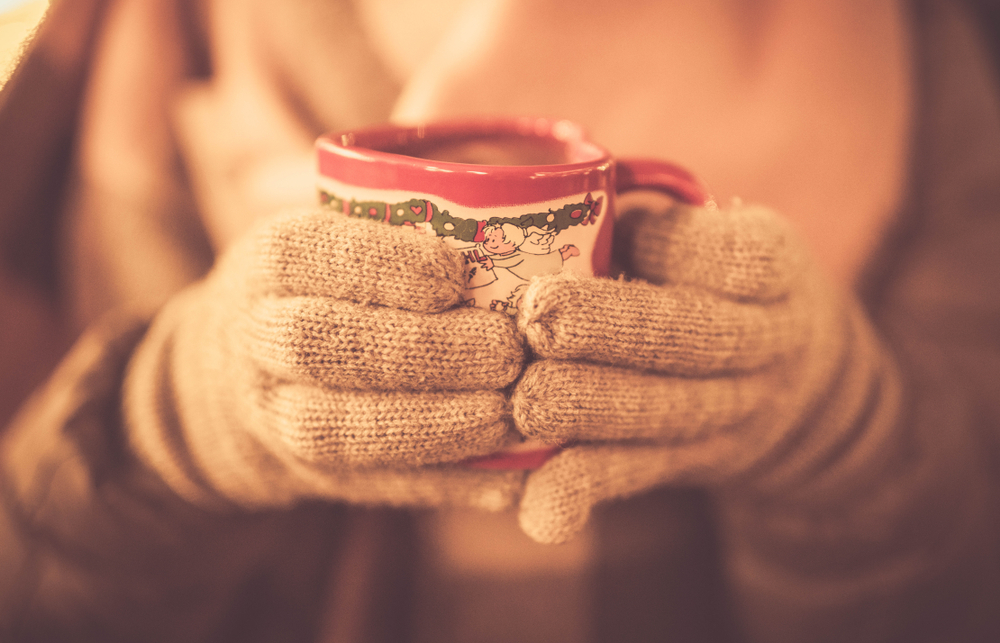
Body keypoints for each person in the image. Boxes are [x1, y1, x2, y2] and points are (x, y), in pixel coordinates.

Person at [2, 0, 1000, 641]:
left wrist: (838, 424)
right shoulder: (130, 41)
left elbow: (961, 593)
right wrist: (179, 417)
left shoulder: (918, 60)